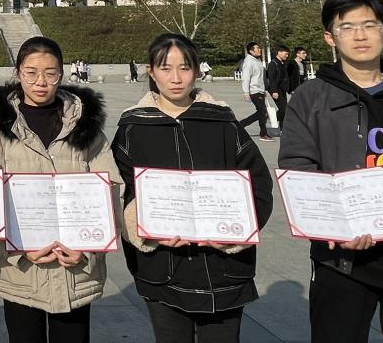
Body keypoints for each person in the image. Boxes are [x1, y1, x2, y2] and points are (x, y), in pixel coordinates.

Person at [112, 32, 273, 342]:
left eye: (184, 68)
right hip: (162, 267)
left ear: (197, 70)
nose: (176, 78)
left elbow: (259, 185)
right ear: (151, 72)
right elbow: (119, 191)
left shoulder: (223, 122)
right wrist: (143, 229)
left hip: (224, 268)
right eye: (165, 68)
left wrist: (236, 230)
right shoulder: (133, 128)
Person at [279, 0, 383, 343]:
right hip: (341, 258)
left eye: (370, 25)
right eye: (348, 27)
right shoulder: (310, 98)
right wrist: (332, 225)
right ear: (330, 37)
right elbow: (298, 167)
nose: (360, 35)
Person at [0, 36, 117, 343]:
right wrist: (15, 250)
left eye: (50, 73)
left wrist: (89, 246)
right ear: (17, 73)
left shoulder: (84, 125)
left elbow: (110, 188)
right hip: (21, 272)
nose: (40, 82)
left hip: (75, 269)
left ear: (62, 73)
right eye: (31, 73)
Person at [238, 42, 275, 141]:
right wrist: (246, 93)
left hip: (260, 90)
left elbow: (260, 78)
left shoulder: (257, 61)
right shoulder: (249, 62)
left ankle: (240, 125)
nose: (260, 49)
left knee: (262, 113)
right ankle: (263, 134)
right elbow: (246, 78)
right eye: (257, 48)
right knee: (263, 113)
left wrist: (264, 89)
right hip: (254, 91)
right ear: (251, 51)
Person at [266, 45, 290, 131]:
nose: (287, 56)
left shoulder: (283, 63)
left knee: (284, 109)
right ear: (279, 52)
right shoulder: (273, 64)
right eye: (285, 54)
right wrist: (274, 91)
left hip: (283, 89)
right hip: (276, 90)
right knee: (284, 109)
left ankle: (282, 129)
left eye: (287, 54)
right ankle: (275, 118)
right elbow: (271, 78)